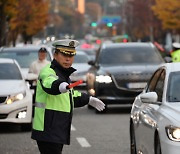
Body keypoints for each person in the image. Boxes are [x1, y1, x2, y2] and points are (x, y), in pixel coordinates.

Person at [31, 39, 105, 154]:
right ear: (55, 55)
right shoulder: (48, 71)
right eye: (64, 54)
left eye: (71, 55)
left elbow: (71, 95)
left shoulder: (63, 74)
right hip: (47, 129)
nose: (68, 59)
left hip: (56, 129)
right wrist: (60, 85)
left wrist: (88, 99)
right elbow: (50, 82)